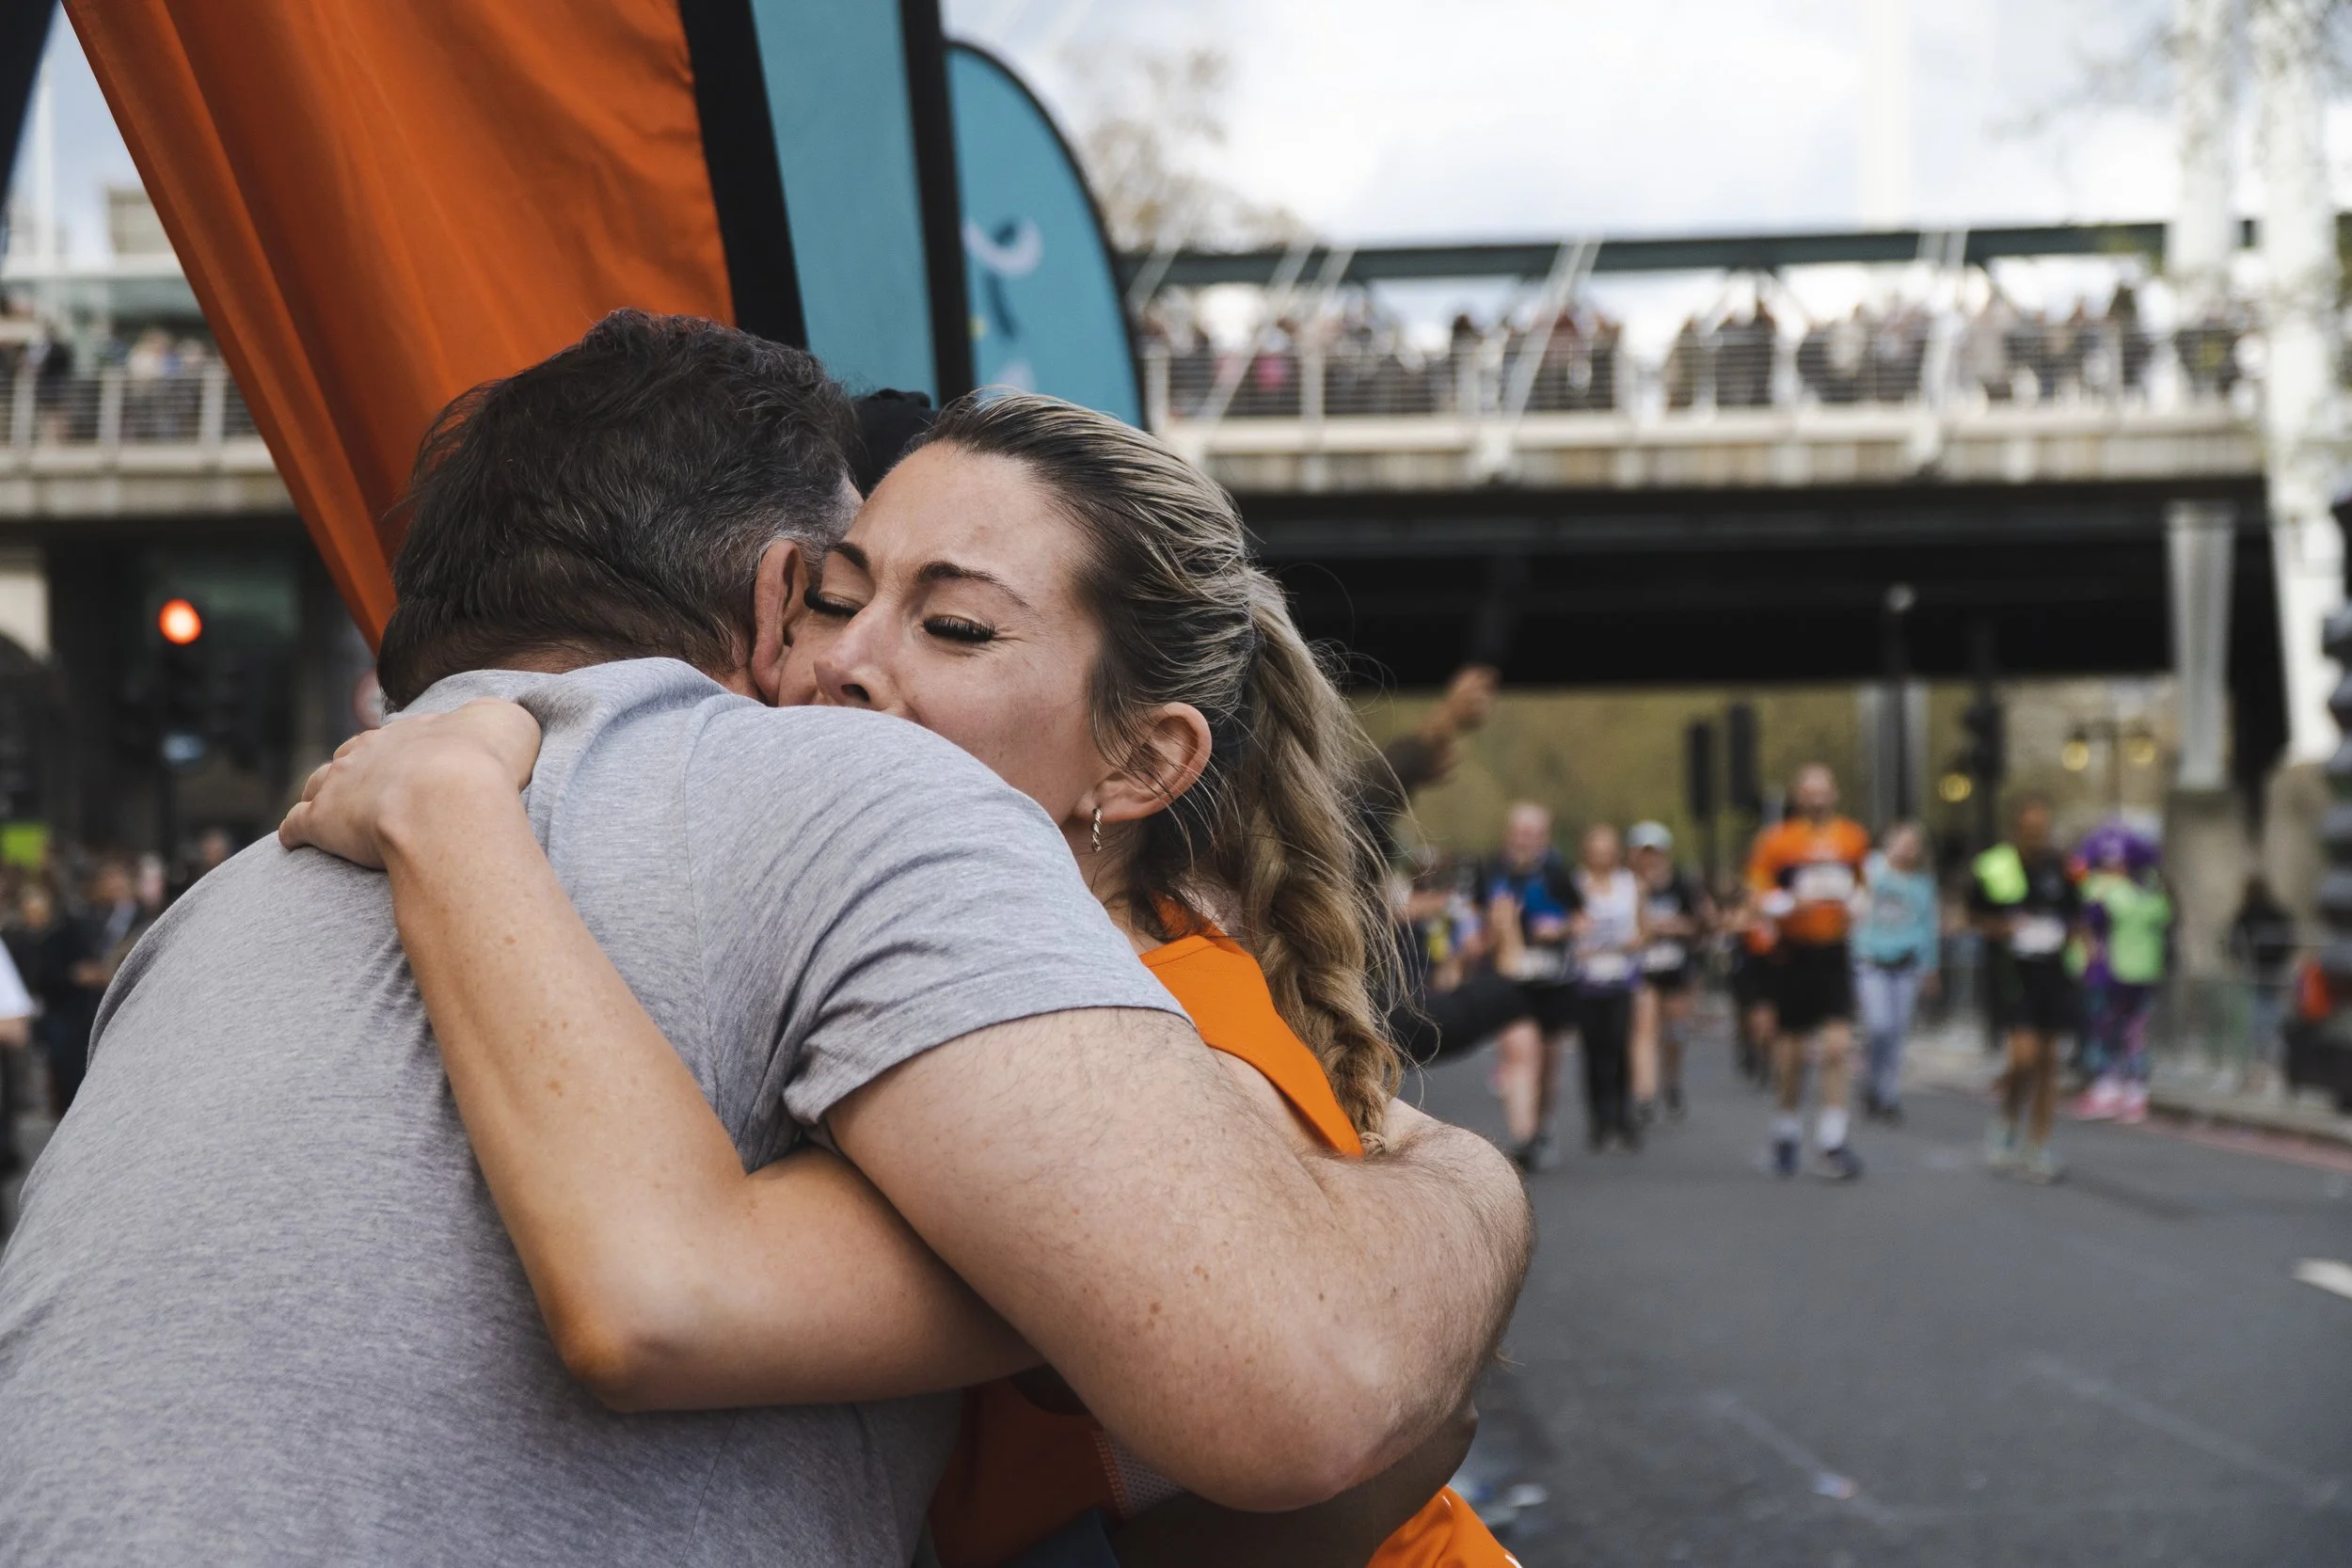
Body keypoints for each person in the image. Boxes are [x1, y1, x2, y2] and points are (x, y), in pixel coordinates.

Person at [0, 315, 1530, 1565]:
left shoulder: (231, 912)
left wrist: (1470, 1181)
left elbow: (1306, 1402)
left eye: (957, 626)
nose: (855, 670)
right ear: (776, 595)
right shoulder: (838, 893)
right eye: (846, 600)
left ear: (1141, 766)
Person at [1745, 766, 1871, 1180]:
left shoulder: (1852, 837)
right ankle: (1786, 1129)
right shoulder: (1778, 841)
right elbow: (1757, 894)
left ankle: (1833, 1140)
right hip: (1792, 953)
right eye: (1809, 792)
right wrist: (1789, 904)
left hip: (1833, 952)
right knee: (1793, 1052)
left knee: (1837, 1046)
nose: (1817, 798)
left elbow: (1863, 886)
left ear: (1834, 794)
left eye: (1823, 791)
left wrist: (1856, 904)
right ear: (1798, 797)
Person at [1970, 797, 2080, 1182]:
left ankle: (2039, 1145)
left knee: (2049, 1063)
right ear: (2017, 829)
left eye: (2043, 829)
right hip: (2012, 974)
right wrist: (2003, 928)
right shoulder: (1994, 866)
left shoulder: (2061, 869)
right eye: (2031, 829)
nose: (2038, 836)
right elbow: (1972, 916)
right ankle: (2007, 1121)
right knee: (2023, 1059)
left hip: (2053, 972)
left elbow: (2076, 914)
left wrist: (2079, 941)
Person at [1481, 802, 1584, 1170]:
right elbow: (1475, 921)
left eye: (1534, 833)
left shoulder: (1558, 873)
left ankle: (1541, 1127)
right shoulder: (1491, 871)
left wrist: (1560, 929)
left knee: (1547, 1066)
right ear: (1510, 834)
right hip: (1510, 981)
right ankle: (1523, 1138)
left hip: (1552, 979)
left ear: (1545, 837)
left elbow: (1581, 919)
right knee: (1520, 1055)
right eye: (1521, 832)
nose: (1526, 840)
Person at [2077, 827, 2171, 1124]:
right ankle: (2133, 1091)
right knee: (2134, 1033)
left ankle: (2110, 1086)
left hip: (2113, 972)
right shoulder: (2154, 894)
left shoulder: (2105, 892)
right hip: (2145, 971)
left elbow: (2090, 928)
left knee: (2107, 1030)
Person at [1851, 821, 1939, 1125]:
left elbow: (1929, 927)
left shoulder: (1922, 884)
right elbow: (1854, 910)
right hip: (1871, 961)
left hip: (1906, 964)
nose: (1907, 849)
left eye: (1913, 844)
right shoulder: (1871, 870)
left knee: (1897, 1033)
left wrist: (1930, 967)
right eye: (1902, 842)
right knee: (1878, 1026)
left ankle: (1888, 1094)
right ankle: (1871, 1081)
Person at [1628, 821, 1708, 1123]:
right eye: (1643, 852)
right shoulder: (1628, 886)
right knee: (1644, 1029)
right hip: (1642, 969)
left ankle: (1671, 1081)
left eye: (1655, 852)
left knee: (1674, 1033)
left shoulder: (1682, 884)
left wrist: (1676, 926)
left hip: (1676, 966)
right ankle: (1645, 1094)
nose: (1649, 859)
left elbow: (1700, 923)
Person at [1570, 824, 1644, 1151]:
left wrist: (1631, 943)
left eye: (1607, 848)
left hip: (1621, 975)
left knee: (1619, 1045)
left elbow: (1646, 929)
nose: (1601, 855)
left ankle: (1623, 1115)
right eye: (1595, 849)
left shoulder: (1632, 885)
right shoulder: (1575, 885)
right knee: (1592, 1049)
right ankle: (1598, 1118)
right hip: (1585, 978)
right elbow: (1566, 925)